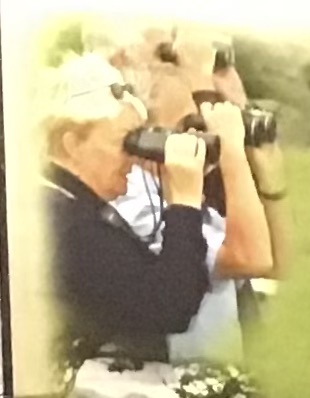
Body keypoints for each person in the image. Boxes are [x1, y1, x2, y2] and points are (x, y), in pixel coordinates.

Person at [107, 27, 284, 366]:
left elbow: (274, 261)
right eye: (168, 56)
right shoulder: (128, 193)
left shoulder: (173, 187)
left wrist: (273, 184)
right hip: (169, 384)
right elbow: (251, 257)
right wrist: (231, 149)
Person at [43, 53, 210, 364]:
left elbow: (167, 285)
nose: (135, 157)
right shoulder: (68, 227)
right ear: (72, 144)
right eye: (126, 142)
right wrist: (185, 202)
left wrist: (180, 202)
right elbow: (171, 307)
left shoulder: (62, 206)